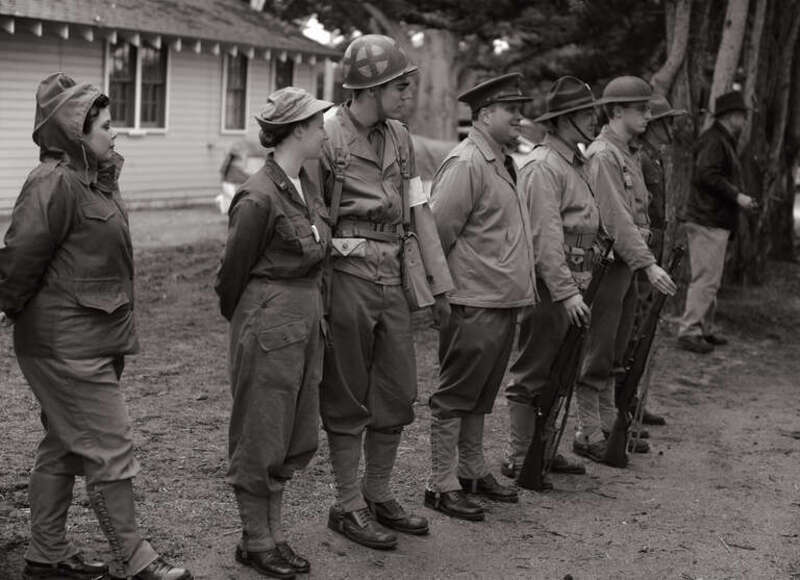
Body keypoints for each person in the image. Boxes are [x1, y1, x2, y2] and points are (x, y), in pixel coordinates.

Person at [0, 73, 191, 580]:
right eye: (105, 125)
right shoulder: (54, 182)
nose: (115, 133)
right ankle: (137, 559)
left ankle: (46, 555)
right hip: (64, 342)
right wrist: (9, 307)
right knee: (109, 444)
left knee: (64, 443)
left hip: (88, 334)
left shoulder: (95, 179)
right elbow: (19, 258)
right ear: (75, 132)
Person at [319, 34, 453, 550]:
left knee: (395, 391)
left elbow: (419, 210)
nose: (408, 95)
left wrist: (440, 286)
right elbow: (313, 218)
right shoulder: (327, 136)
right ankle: (348, 503)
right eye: (400, 86)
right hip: (347, 277)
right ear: (371, 88)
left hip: (394, 275)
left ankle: (378, 493)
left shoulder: (400, 137)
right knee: (348, 392)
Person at [215, 87, 333, 579]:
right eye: (317, 123)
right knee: (262, 428)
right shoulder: (258, 194)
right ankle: (256, 539)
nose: (324, 131)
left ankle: (274, 534)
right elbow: (231, 275)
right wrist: (254, 320)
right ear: (298, 130)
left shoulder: (304, 183)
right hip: (269, 321)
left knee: (293, 429)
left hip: (304, 319)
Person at [425, 73, 536, 521]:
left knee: (481, 393)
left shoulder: (500, 161)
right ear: (486, 114)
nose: (520, 117)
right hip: (472, 299)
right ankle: (440, 482)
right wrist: (439, 294)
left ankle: (471, 470)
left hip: (498, 299)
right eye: (512, 110)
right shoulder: (467, 163)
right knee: (455, 394)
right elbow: (437, 233)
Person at [573, 76, 677, 465]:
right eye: (642, 109)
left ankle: (607, 421)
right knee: (599, 347)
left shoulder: (626, 153)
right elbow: (616, 220)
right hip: (609, 264)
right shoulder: (603, 155)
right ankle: (589, 429)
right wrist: (648, 265)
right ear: (617, 112)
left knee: (616, 346)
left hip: (625, 266)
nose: (649, 116)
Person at [502, 76, 600, 485]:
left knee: (561, 369)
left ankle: (545, 447)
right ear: (566, 120)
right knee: (534, 369)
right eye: (586, 115)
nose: (594, 121)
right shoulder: (544, 167)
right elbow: (544, 240)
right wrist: (564, 293)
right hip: (551, 288)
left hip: (575, 284)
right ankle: (519, 455)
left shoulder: (571, 163)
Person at [627, 94, 689, 427]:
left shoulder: (655, 158)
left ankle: (631, 398)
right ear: (651, 126)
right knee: (635, 325)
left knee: (644, 324)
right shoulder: (639, 159)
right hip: (642, 246)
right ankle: (625, 400)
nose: (671, 128)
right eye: (666, 121)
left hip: (656, 243)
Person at [677, 91, 755, 354]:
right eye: (742, 116)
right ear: (732, 116)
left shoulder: (719, 139)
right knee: (706, 278)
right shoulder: (715, 141)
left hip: (711, 218)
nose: (744, 121)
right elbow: (706, 175)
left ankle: (703, 329)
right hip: (707, 219)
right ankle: (690, 330)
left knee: (710, 278)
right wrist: (737, 196)